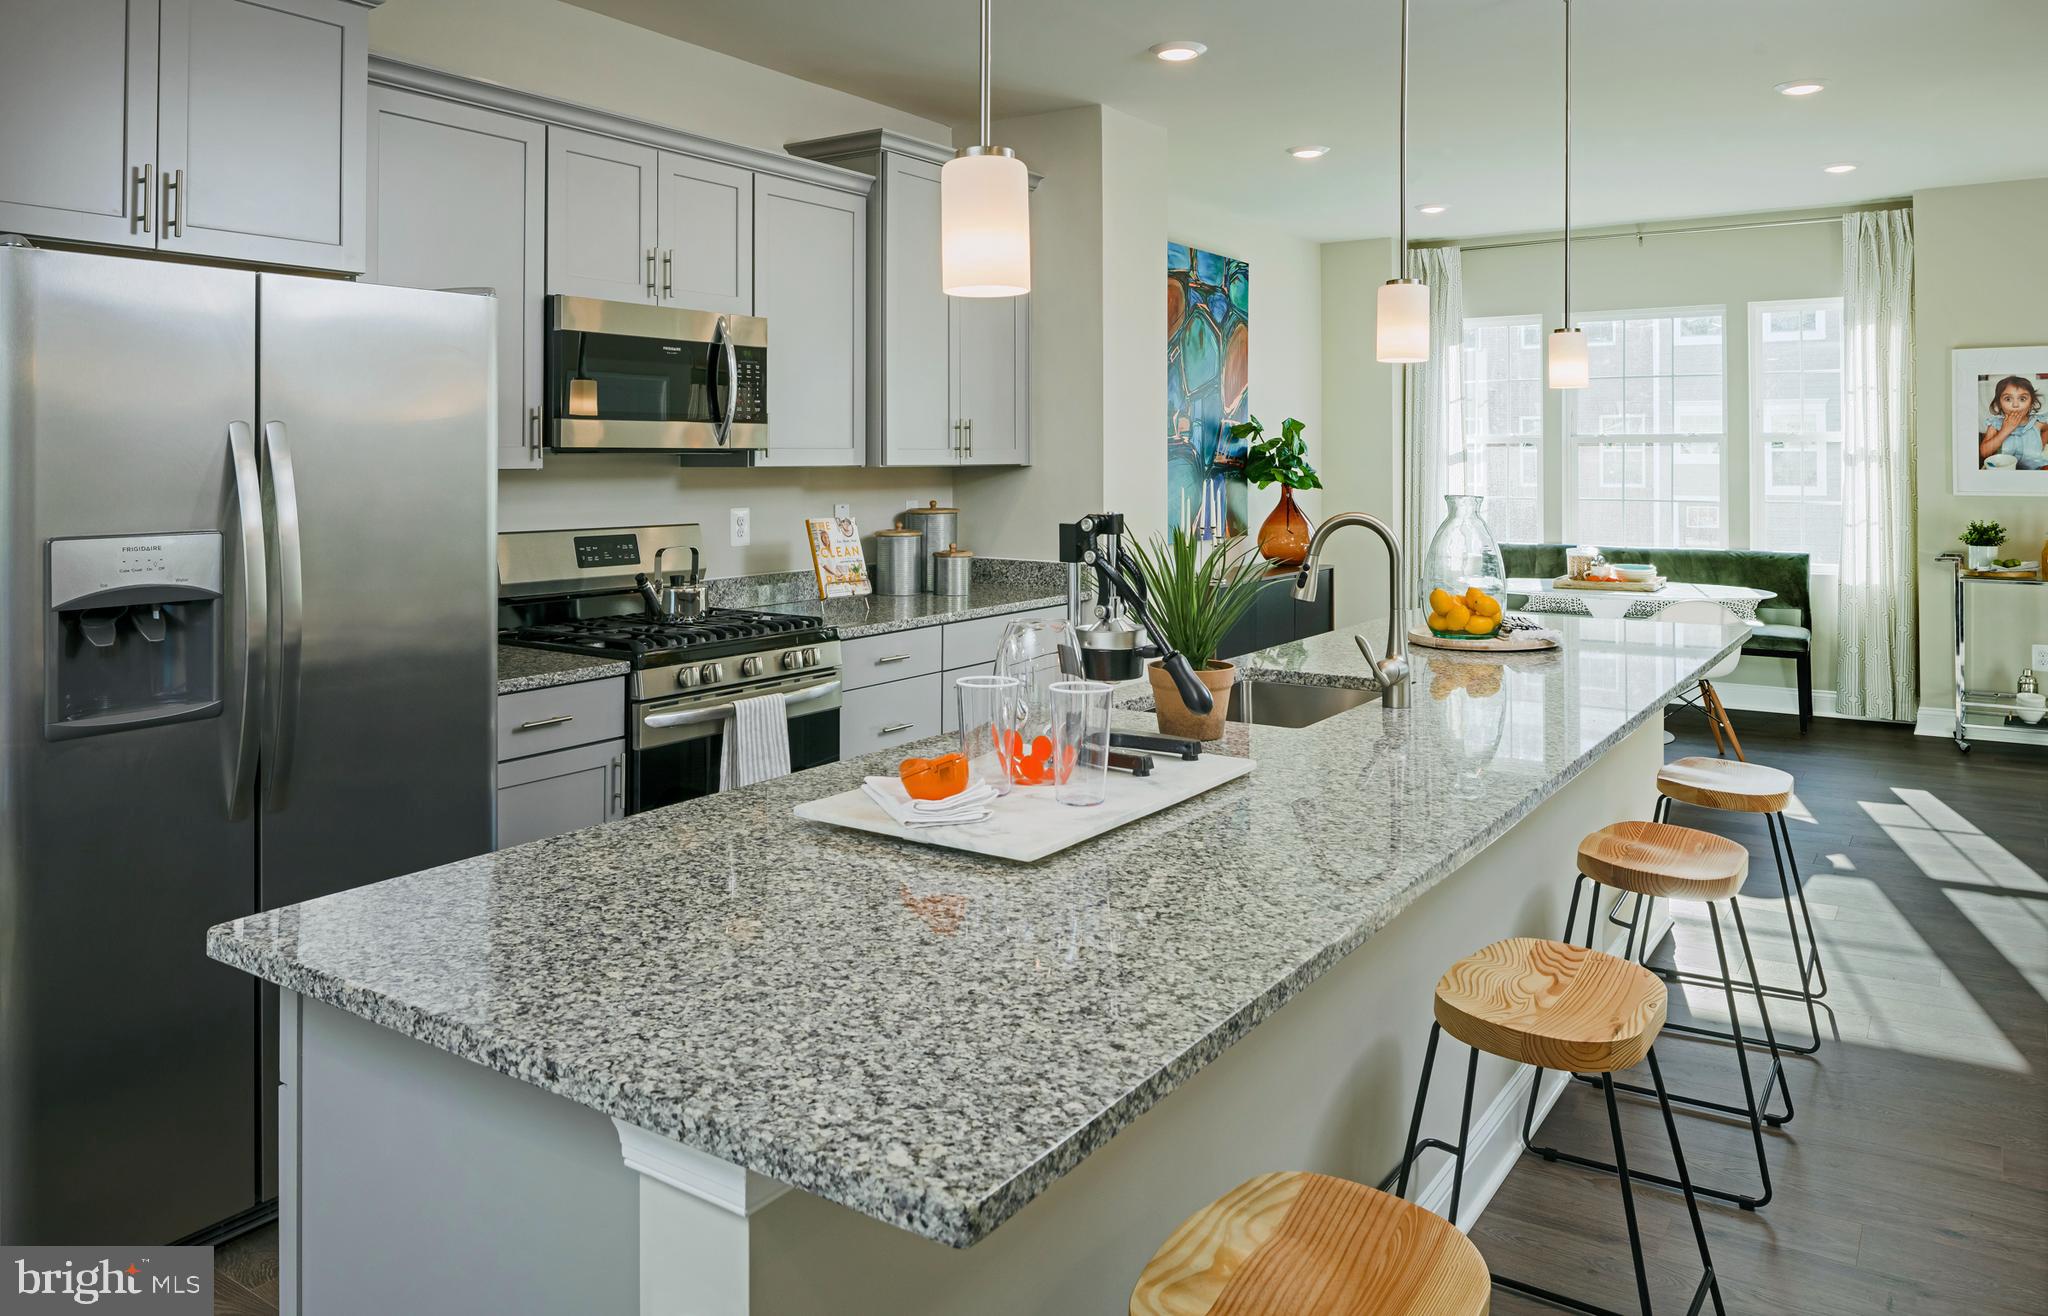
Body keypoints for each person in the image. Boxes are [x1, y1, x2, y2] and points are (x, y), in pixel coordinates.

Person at [1978, 375, 2048, 470]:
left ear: (2031, 403)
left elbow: (2046, 430)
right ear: (1999, 404)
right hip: (2005, 471)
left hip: (2034, 470)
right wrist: (2005, 430)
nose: (2015, 405)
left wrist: (2041, 444)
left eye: (2022, 399)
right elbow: (1984, 453)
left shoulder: (2038, 422)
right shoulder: (1995, 424)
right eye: (2008, 399)